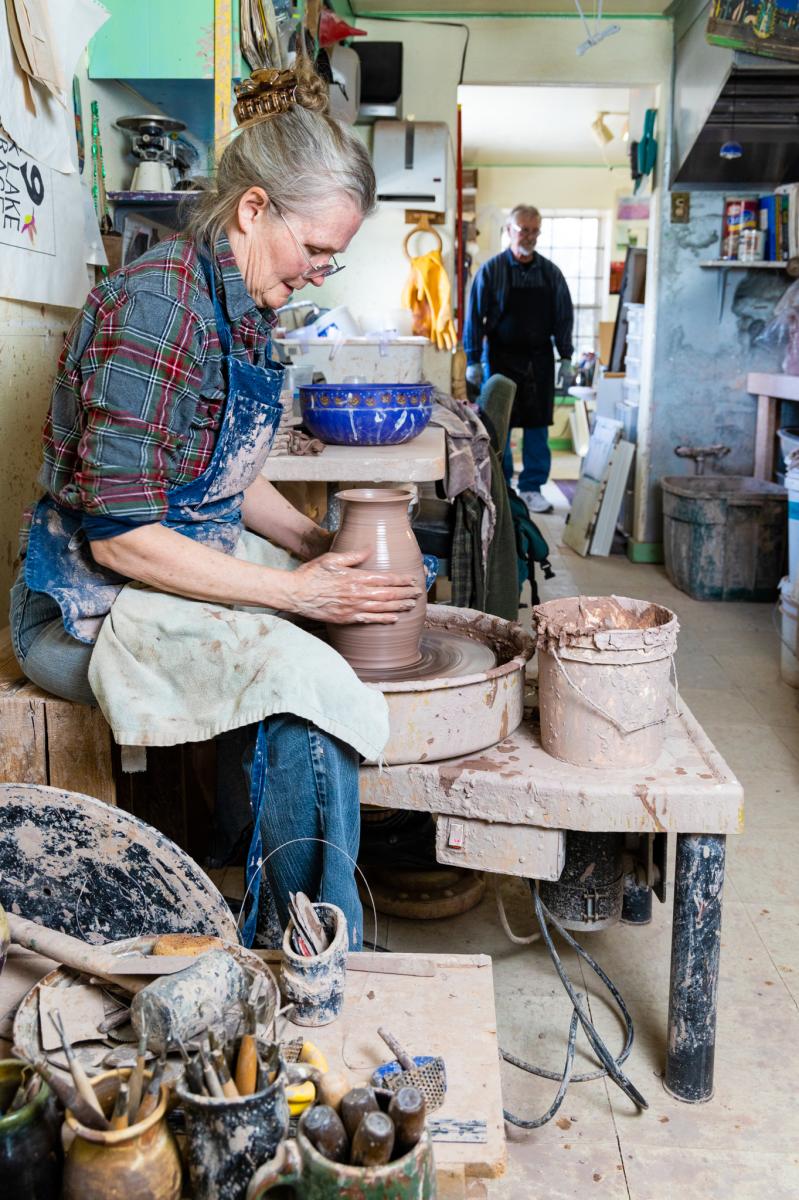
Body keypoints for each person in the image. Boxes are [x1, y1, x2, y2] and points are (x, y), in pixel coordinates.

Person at [8, 64, 421, 949]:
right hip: (87, 611)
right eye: (314, 249)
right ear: (253, 209)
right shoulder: (154, 309)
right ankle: (299, 948)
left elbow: (225, 474)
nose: (319, 273)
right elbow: (119, 537)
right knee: (301, 682)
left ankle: (250, 868)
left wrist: (318, 542)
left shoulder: (236, 305)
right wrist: (298, 594)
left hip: (168, 579)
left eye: (332, 258)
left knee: (304, 630)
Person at [463, 205, 574, 515]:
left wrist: (566, 356)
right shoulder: (492, 270)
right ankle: (505, 489)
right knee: (501, 425)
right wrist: (472, 359)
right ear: (509, 231)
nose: (529, 236)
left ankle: (532, 487)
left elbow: (564, 316)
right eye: (523, 229)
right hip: (500, 358)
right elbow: (473, 317)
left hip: (539, 360)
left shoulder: (551, 273)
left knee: (538, 425)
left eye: (534, 230)